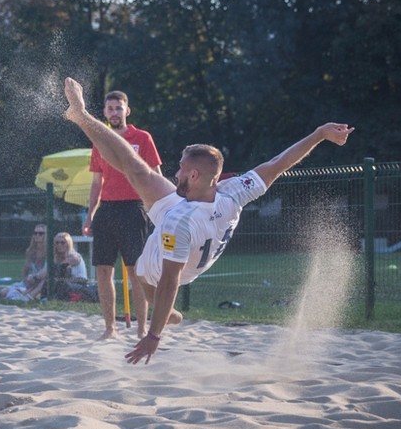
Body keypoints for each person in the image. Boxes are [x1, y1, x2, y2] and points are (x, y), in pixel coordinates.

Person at [62, 76, 353, 365]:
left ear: (194, 175)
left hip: (177, 258)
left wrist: (153, 336)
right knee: (137, 170)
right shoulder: (232, 192)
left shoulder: (178, 222)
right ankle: (82, 115)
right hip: (198, 217)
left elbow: (169, 282)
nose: (175, 173)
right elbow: (279, 163)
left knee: (140, 271)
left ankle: (82, 116)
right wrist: (319, 134)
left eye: (180, 168)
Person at [82, 90, 161, 339]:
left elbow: (156, 176)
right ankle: (110, 328)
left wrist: (159, 209)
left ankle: (141, 328)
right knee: (103, 270)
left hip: (133, 207)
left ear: (127, 110)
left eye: (118, 108)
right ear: (104, 113)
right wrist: (89, 215)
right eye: (110, 108)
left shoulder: (142, 138)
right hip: (107, 209)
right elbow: (96, 182)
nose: (114, 112)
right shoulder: (100, 140)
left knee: (135, 271)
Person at [0, 224, 49, 301]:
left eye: (41, 233)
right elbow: (25, 270)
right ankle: (21, 292)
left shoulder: (50, 252)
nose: (37, 235)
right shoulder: (31, 251)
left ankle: (23, 294)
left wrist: (33, 278)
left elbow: (44, 273)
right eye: (35, 233)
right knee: (2, 293)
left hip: (40, 282)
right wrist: (26, 281)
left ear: (46, 235)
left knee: (12, 296)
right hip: (29, 282)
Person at [50, 232, 97, 302]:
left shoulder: (73, 256)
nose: (59, 245)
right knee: (48, 279)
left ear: (68, 244)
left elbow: (58, 268)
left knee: (52, 278)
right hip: (66, 281)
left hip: (79, 282)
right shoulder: (57, 256)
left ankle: (32, 296)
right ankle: (31, 295)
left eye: (62, 243)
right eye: (57, 243)